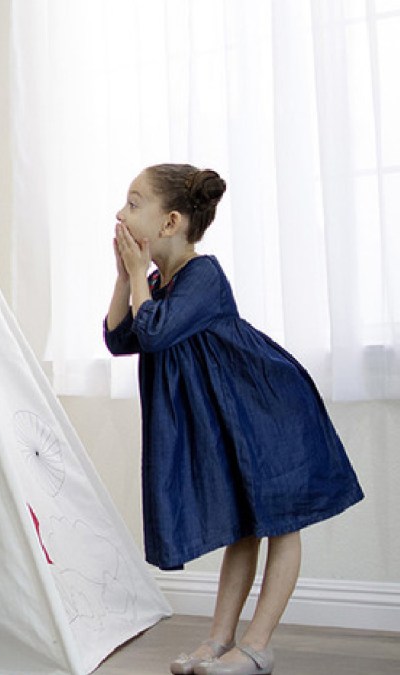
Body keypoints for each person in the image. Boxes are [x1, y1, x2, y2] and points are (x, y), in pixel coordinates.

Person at [104, 164, 363, 675]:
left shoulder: (204, 276)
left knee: (280, 525)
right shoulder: (157, 281)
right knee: (243, 528)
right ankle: (219, 641)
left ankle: (258, 645)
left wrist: (137, 278)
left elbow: (152, 332)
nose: (120, 212)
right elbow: (120, 339)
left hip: (268, 408)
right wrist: (124, 276)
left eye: (134, 203)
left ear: (170, 221)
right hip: (232, 418)